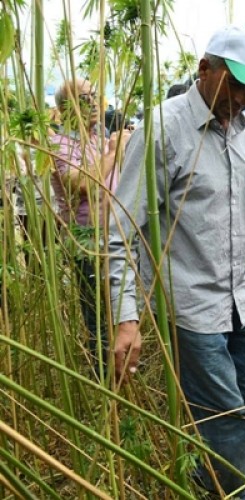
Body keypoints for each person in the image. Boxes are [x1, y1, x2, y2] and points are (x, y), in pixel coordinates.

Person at [108, 25, 245, 498]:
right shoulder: (164, 129)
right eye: (237, 83)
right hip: (190, 305)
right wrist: (127, 318)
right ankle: (233, 493)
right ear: (205, 70)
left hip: (242, 299)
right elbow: (124, 229)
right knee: (224, 413)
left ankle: (211, 472)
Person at [51, 78, 130, 366]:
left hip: (118, 235)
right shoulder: (58, 143)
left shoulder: (99, 135)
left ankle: (125, 374)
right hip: (87, 241)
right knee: (98, 317)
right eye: (84, 98)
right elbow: (83, 184)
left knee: (123, 312)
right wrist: (112, 151)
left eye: (95, 95)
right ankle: (104, 379)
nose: (93, 102)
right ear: (64, 107)